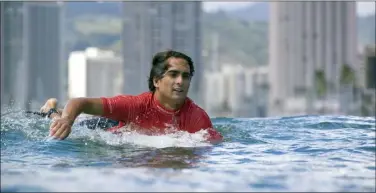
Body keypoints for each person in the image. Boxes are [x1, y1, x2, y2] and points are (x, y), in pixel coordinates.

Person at [40, 50, 223, 143]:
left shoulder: (197, 117)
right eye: (173, 74)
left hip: (132, 129)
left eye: (186, 76)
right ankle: (52, 110)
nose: (180, 81)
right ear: (157, 81)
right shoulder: (134, 105)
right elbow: (79, 102)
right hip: (111, 128)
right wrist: (66, 120)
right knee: (66, 124)